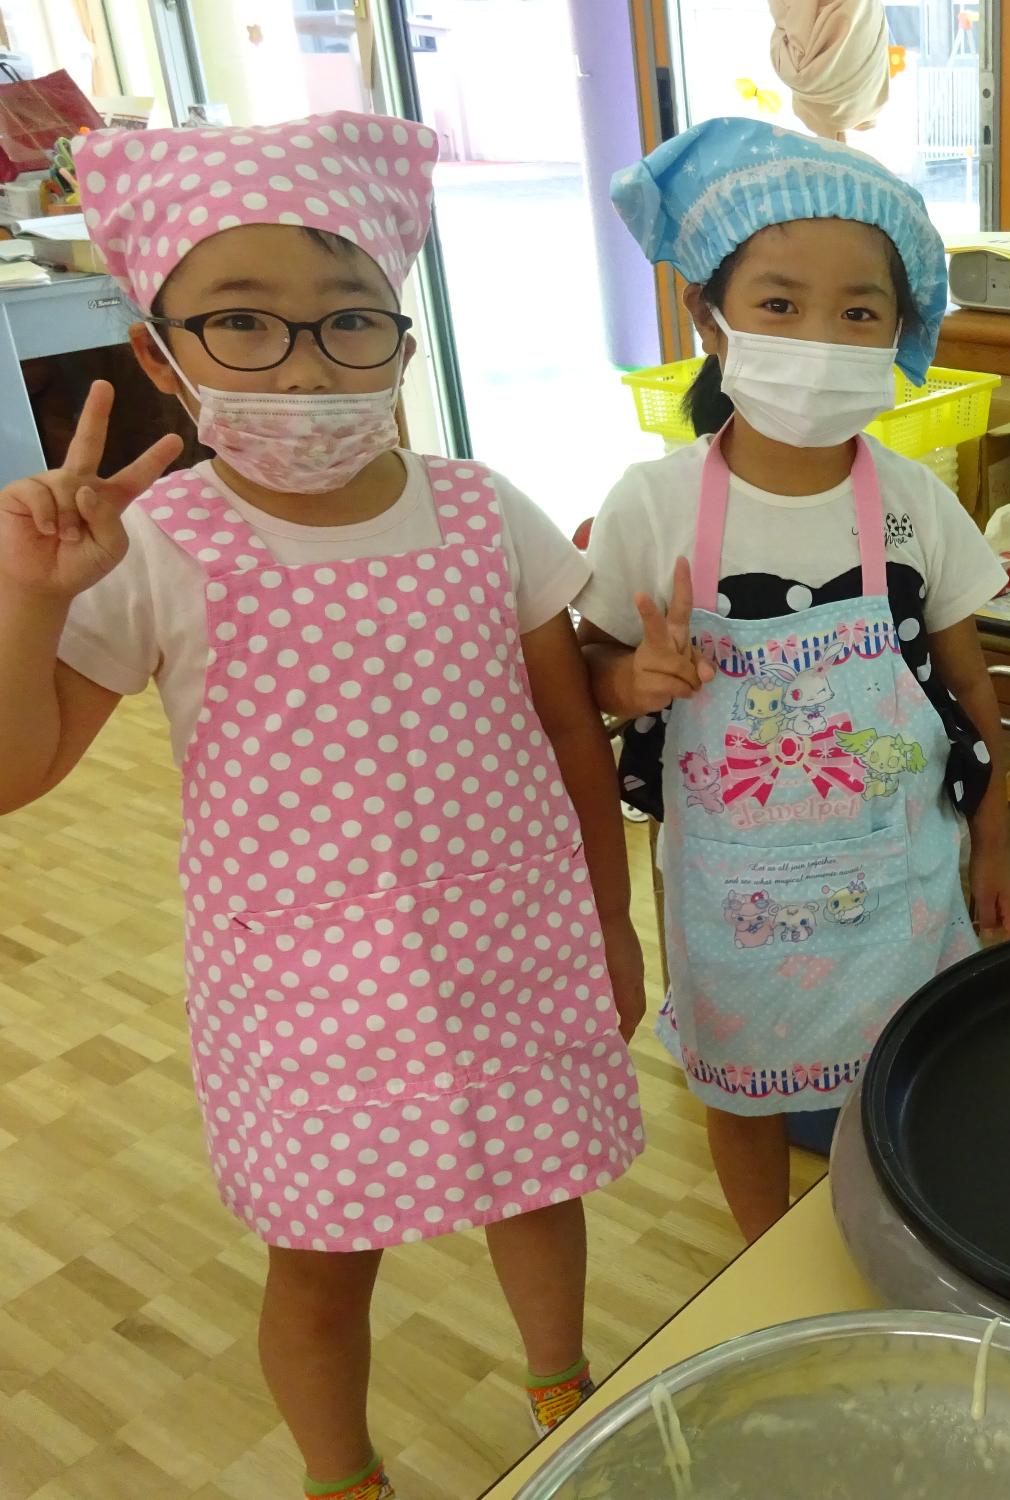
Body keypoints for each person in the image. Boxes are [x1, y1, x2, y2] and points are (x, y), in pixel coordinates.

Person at [0, 112, 648, 1500]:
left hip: (512, 946)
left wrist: (614, 924)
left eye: (350, 321)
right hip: (301, 992)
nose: (304, 364)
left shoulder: (483, 510)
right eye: (245, 324)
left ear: (402, 340)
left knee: (542, 1191)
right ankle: (341, 1475)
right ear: (158, 356)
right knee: (321, 1259)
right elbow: (18, 771)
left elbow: (569, 732)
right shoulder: (160, 546)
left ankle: (561, 1392)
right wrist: (30, 601)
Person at [580, 118, 1010, 1242]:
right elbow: (583, 677)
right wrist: (634, 678)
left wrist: (998, 846)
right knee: (739, 1092)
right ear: (707, 318)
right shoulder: (652, 502)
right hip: (734, 901)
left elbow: (970, 696)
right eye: (778, 304)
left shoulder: (916, 498)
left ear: (901, 328)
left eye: (858, 311)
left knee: (914, 1083)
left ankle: (912, 1240)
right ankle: (761, 1252)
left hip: (904, 881)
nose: (820, 337)